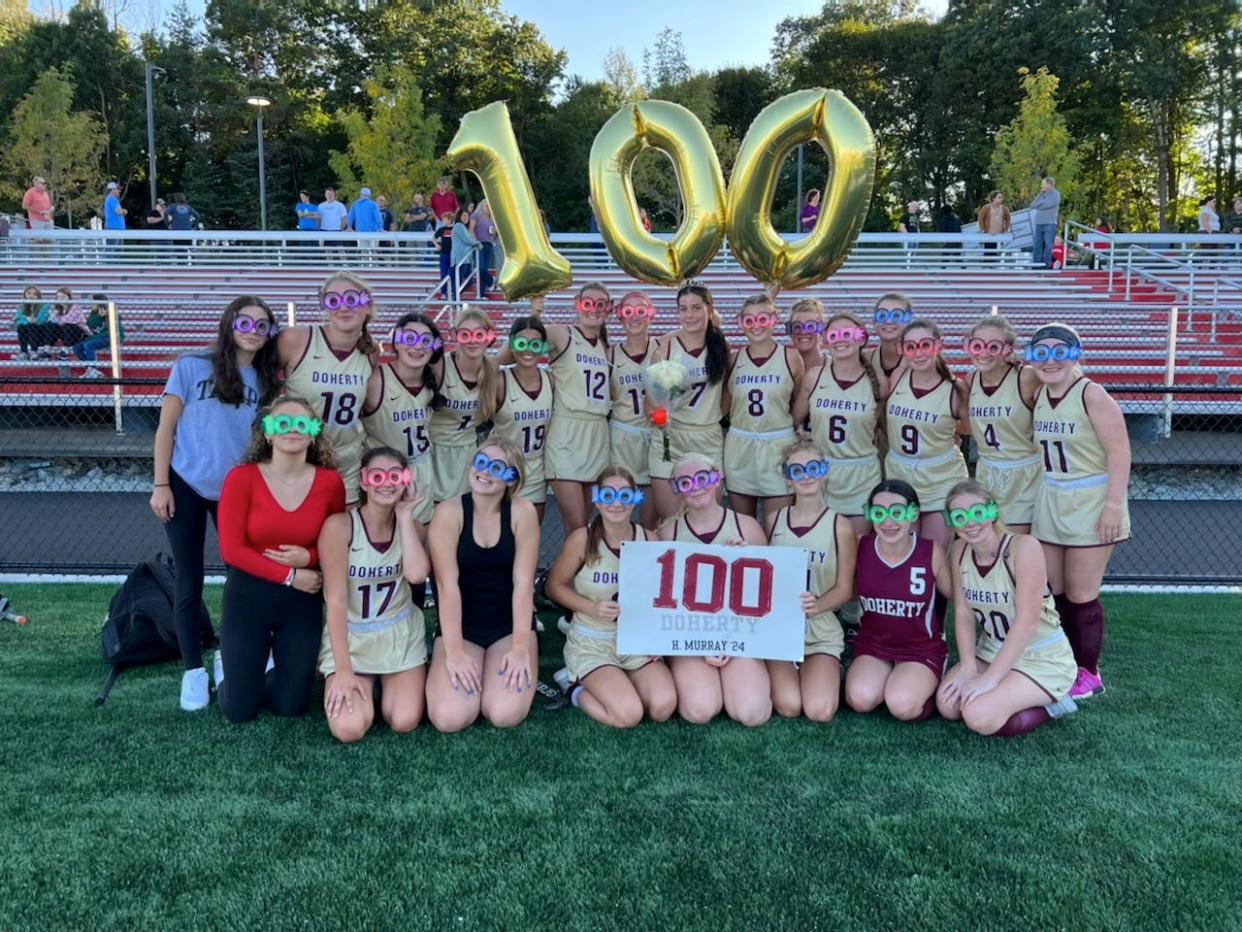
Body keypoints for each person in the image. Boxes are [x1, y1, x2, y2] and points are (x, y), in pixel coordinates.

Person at [150, 296, 280, 711]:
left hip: (238, 490)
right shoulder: (190, 365)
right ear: (229, 324)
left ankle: (230, 654)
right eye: (246, 322)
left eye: (263, 326)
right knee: (189, 579)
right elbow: (165, 429)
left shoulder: (267, 380)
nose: (253, 331)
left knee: (242, 578)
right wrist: (160, 484)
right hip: (187, 482)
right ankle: (193, 670)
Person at [215, 395, 347, 723]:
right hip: (249, 597)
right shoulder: (241, 478)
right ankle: (227, 670)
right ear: (268, 433)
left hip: (301, 601)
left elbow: (336, 540)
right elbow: (231, 550)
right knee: (240, 710)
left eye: (301, 423)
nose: (292, 430)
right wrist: (289, 574)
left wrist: (311, 555)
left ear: (314, 433)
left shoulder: (330, 483)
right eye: (282, 423)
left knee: (292, 706)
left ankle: (269, 666)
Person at [1028, 323, 1130, 700]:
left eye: (1060, 351)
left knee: (1082, 593)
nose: (1050, 360)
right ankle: (1062, 662)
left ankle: (1089, 672)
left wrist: (1114, 506)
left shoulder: (1092, 394)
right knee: (1051, 590)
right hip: (1051, 496)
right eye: (1041, 352)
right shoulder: (1038, 392)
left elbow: (1119, 452)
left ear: (1076, 355)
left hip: (1089, 498)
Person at [936, 480, 1079, 736]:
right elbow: (963, 613)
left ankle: (1055, 704)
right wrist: (969, 665)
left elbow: (1028, 622)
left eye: (978, 513)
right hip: (991, 648)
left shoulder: (1023, 547)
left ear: (993, 512)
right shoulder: (958, 550)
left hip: (1040, 656)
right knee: (948, 705)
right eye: (960, 516)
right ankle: (1008, 692)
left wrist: (990, 678)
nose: (970, 522)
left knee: (978, 716)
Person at [546, 466, 677, 727]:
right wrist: (590, 607)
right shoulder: (581, 539)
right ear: (596, 498)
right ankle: (573, 688)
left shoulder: (650, 540)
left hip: (634, 643)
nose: (616, 503)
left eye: (625, 496)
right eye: (608, 496)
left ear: (636, 498)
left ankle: (616, 681)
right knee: (628, 715)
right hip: (592, 643)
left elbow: (666, 595)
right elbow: (554, 586)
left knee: (663, 706)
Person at [425, 438, 540, 732]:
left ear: (512, 478)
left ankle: (497, 674)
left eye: (497, 467)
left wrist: (519, 647)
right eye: (481, 462)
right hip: (462, 629)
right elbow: (445, 586)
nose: (485, 472)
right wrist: (454, 652)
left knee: (503, 713)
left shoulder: (522, 512)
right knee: (449, 718)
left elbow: (524, 585)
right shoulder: (449, 512)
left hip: (508, 626)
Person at [318, 446, 431, 742]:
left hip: (399, 634)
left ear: (407, 480)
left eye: (396, 475)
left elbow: (418, 575)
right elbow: (337, 602)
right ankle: (367, 684)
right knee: (348, 728)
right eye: (377, 476)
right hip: (352, 638)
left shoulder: (414, 528)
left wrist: (405, 516)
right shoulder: (340, 526)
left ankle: (386, 685)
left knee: (404, 720)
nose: (387, 483)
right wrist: (343, 671)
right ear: (364, 480)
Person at [656, 452, 772, 726]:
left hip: (740, 635)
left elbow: (768, 594)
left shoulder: (747, 527)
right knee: (700, 710)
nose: (696, 487)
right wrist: (697, 646)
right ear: (677, 490)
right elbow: (662, 603)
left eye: (702, 478)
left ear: (717, 478)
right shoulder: (667, 533)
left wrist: (744, 560)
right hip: (689, 636)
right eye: (685, 483)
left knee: (751, 714)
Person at [504, 282, 611, 534]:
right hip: (567, 433)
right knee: (576, 526)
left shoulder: (605, 347)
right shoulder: (561, 334)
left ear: (609, 309)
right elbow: (514, 349)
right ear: (577, 304)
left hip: (597, 434)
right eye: (587, 303)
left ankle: (576, 574)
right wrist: (533, 316)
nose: (593, 309)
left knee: (583, 524)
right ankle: (565, 575)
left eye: (600, 304)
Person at [764, 439, 857, 722]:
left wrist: (816, 606)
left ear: (825, 472)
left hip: (820, 630)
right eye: (797, 471)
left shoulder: (840, 525)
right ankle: (791, 670)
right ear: (788, 480)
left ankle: (827, 669)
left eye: (813, 468)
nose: (806, 475)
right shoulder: (773, 520)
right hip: (780, 630)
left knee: (819, 711)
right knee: (789, 706)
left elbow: (846, 588)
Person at [846, 480, 950, 721]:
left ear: (913, 513)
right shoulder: (860, 545)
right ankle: (892, 678)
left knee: (901, 705)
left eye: (897, 512)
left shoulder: (930, 551)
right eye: (879, 513)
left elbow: (957, 595)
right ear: (869, 514)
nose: (888, 521)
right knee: (860, 699)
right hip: (874, 645)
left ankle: (924, 682)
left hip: (920, 648)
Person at [278, 271, 379, 503]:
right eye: (333, 300)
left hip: (347, 461)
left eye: (351, 299)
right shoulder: (295, 340)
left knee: (343, 534)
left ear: (367, 303)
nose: (343, 308)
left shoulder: (371, 351)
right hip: (301, 457)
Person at [793, 311, 888, 535]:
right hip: (822, 474)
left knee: (856, 547)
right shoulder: (814, 377)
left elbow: (888, 428)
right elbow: (793, 421)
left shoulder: (879, 383)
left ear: (862, 338)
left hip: (862, 475)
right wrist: (804, 439)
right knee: (823, 546)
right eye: (834, 335)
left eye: (847, 333)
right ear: (826, 341)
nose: (841, 339)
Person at [648, 283, 730, 521]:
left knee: (709, 518)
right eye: (683, 309)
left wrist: (709, 417)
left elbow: (725, 396)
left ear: (709, 309)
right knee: (672, 519)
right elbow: (650, 403)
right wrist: (659, 416)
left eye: (696, 308)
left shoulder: (720, 346)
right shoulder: (665, 347)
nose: (689, 315)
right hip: (670, 439)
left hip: (707, 437)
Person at [884, 319, 968, 547]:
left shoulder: (955, 389)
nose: (918, 353)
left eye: (925, 345)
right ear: (902, 350)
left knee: (934, 553)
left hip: (940, 478)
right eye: (910, 347)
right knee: (903, 549)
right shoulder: (897, 377)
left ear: (938, 345)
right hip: (900, 474)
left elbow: (968, 429)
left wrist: (942, 433)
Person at [722, 294, 804, 519]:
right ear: (741, 323)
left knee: (778, 527)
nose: (756, 325)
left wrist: (791, 428)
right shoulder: (733, 360)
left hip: (778, 446)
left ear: (774, 319)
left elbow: (798, 400)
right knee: (743, 528)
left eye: (762, 319)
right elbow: (724, 406)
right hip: (740, 446)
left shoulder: (791, 358)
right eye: (749, 320)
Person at [361, 312, 445, 527]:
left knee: (420, 544)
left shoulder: (432, 379)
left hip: (422, 471)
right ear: (396, 342)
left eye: (425, 341)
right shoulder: (375, 381)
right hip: (385, 478)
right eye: (409, 338)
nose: (417, 347)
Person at [964, 315, 1041, 534]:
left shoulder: (1026, 377)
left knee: (1014, 546)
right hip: (987, 472)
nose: (984, 352)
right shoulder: (971, 379)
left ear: (1007, 349)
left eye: (993, 346)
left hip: (1023, 474)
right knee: (988, 544)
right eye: (978, 345)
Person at [427, 306, 498, 503]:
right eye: (465, 334)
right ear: (455, 335)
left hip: (467, 454)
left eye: (479, 334)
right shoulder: (440, 366)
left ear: (489, 336)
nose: (473, 340)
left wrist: (535, 312)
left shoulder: (492, 368)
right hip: (434, 452)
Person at [490, 316, 554, 521]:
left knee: (531, 535)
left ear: (543, 347)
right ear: (511, 345)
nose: (528, 349)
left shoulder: (551, 380)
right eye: (521, 343)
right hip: (503, 467)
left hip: (535, 469)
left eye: (535, 344)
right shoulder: (500, 381)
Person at [608, 291, 658, 529]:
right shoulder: (610, 355)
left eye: (641, 310)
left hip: (655, 436)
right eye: (628, 311)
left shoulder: (664, 349)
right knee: (620, 508)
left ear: (651, 315)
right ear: (620, 317)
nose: (634, 316)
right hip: (622, 438)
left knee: (651, 519)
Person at [71, 294, 123, 377]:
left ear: (99, 303)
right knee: (76, 348)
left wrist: (106, 315)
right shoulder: (94, 313)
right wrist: (98, 317)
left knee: (89, 345)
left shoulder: (110, 311)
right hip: (98, 336)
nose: (91, 304)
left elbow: (111, 332)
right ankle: (91, 370)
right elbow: (90, 325)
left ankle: (92, 369)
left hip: (111, 337)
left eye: (93, 302)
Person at [867, 292, 913, 379]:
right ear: (874, 322)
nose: (888, 321)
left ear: (908, 321)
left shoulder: (921, 360)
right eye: (882, 315)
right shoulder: (862, 360)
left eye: (896, 315)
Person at [787, 297, 828, 373]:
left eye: (810, 326)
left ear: (821, 329)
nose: (803, 332)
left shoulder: (836, 367)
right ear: (790, 331)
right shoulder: (782, 369)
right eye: (797, 326)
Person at [14, 285, 57, 360]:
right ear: (25, 295)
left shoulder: (44, 306)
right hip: (28, 334)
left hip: (40, 333)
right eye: (29, 293)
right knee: (21, 326)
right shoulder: (22, 306)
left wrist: (33, 320)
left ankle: (34, 352)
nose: (31, 296)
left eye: (34, 294)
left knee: (32, 325)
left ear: (38, 296)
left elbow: (42, 320)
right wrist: (27, 318)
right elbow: (18, 319)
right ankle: (24, 353)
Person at [1029, 177, 1060, 268]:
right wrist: (1042, 202)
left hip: (1050, 223)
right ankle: (1036, 265)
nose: (1041, 186)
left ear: (1049, 184)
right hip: (1039, 223)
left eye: (1043, 184)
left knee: (1048, 245)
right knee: (1037, 245)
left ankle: (1046, 265)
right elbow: (1032, 205)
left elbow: (1048, 204)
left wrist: (1040, 204)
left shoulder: (1056, 194)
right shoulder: (1040, 194)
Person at [450, 208, 481, 296]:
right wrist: (478, 243)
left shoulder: (464, 227)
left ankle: (456, 295)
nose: (466, 217)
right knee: (458, 280)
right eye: (464, 215)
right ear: (459, 216)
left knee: (469, 281)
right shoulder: (458, 226)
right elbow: (467, 240)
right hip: (460, 259)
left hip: (466, 259)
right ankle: (455, 298)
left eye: (467, 216)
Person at [470, 200, 498, 296]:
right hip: (479, 244)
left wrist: (494, 233)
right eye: (487, 205)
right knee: (480, 268)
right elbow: (471, 229)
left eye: (490, 206)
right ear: (481, 205)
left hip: (489, 244)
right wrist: (475, 242)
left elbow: (495, 234)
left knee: (484, 269)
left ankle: (481, 294)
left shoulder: (492, 219)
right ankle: (491, 281)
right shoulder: (476, 215)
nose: (488, 207)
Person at [51, 286, 89, 354]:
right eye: (58, 297)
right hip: (64, 332)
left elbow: (67, 321)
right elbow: (52, 321)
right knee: (51, 326)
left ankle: (65, 350)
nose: (60, 299)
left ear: (69, 297)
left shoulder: (75, 307)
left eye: (63, 297)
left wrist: (57, 316)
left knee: (68, 326)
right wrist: (55, 314)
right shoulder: (57, 308)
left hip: (77, 332)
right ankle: (47, 349)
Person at [434, 211, 455, 298]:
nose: (443, 221)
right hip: (444, 254)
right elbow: (434, 237)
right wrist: (437, 244)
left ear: (450, 220)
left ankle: (453, 291)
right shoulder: (441, 229)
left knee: (453, 273)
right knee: (443, 273)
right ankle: (443, 292)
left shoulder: (455, 229)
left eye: (445, 219)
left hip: (453, 254)